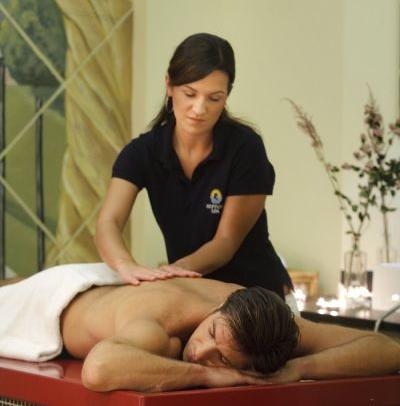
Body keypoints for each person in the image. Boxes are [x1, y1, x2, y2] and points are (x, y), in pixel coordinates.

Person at [95, 32, 293, 299]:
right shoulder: (143, 152)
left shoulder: (245, 148)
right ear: (169, 85)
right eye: (190, 94)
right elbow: (108, 221)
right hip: (191, 291)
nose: (199, 109)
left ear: (227, 95)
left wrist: (172, 272)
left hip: (257, 294)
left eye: (214, 98)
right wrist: (126, 266)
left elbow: (225, 243)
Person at [1, 265, 399, 393]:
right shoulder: (159, 328)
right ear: (218, 309)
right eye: (210, 335)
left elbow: (387, 349)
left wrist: (299, 369)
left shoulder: (264, 321)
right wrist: (209, 374)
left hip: (107, 285)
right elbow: (99, 370)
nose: (199, 351)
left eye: (223, 358)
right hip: (52, 300)